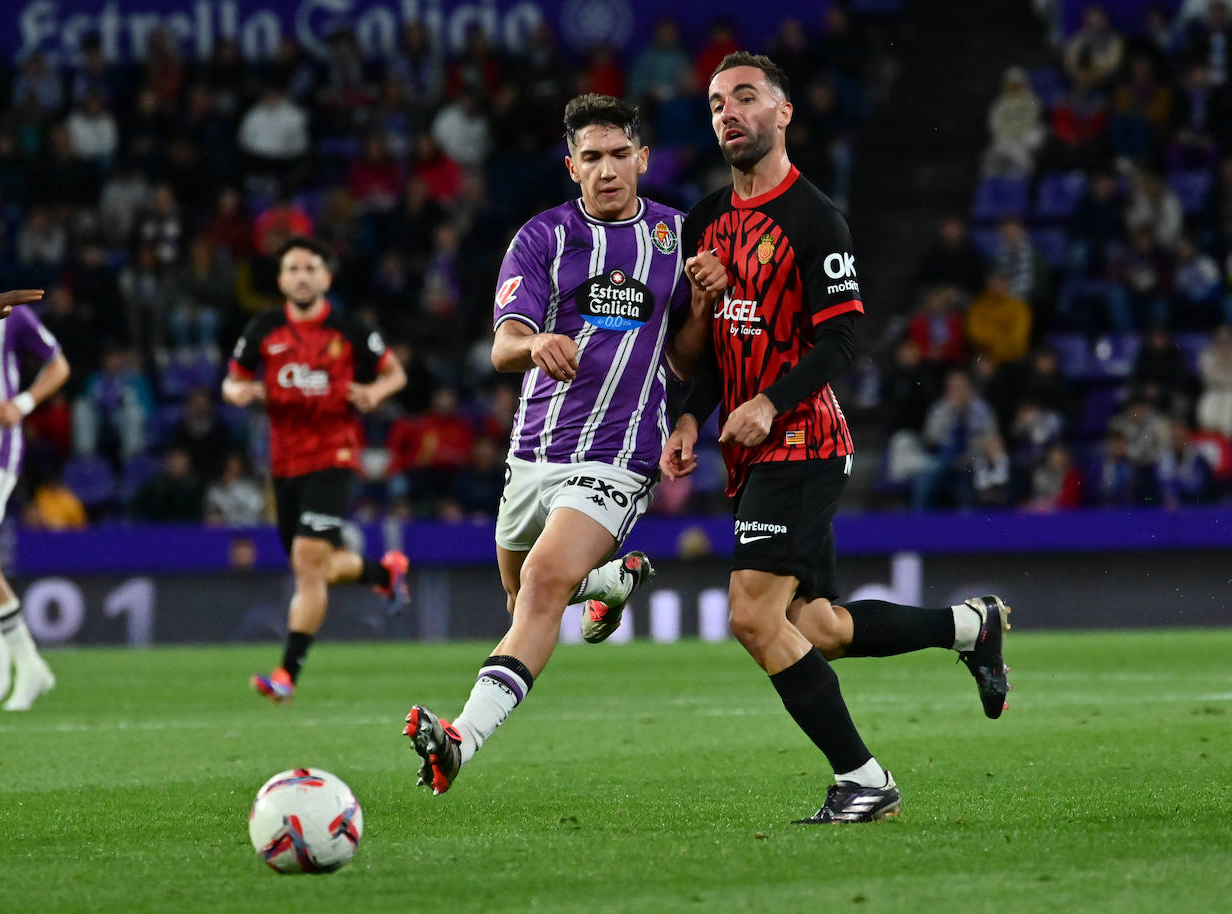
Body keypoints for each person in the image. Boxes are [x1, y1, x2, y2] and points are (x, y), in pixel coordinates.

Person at [658, 53, 1012, 825]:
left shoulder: (816, 218)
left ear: (783, 113)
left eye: (745, 97)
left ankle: (864, 779)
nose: (728, 113)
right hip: (748, 445)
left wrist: (768, 401)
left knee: (753, 619)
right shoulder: (704, 220)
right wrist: (692, 410)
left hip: (803, 440)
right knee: (819, 628)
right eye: (717, 102)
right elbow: (700, 348)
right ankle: (969, 625)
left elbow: (845, 337)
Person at [402, 94, 718, 796]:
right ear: (571, 167)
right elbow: (501, 345)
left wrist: (701, 307)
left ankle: (459, 738)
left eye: (619, 155)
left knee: (543, 586)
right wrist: (535, 341)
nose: (607, 170)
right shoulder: (542, 238)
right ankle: (610, 581)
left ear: (642, 158)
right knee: (523, 600)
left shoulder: (680, 236)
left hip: (621, 452)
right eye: (592, 159)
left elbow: (688, 362)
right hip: (534, 453)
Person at [222, 236, 408, 703]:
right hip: (283, 464)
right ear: (282, 279)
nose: (302, 276)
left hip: (333, 456)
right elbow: (232, 380)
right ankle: (382, 574)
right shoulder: (264, 328)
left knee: (308, 565)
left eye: (311, 268)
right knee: (317, 567)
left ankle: (286, 674)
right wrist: (237, 393)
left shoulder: (349, 327)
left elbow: (395, 373)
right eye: (293, 268)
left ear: (325, 277)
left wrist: (374, 394)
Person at [0, 300, 71, 710]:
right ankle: (15, 666)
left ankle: (9, 664)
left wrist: (21, 404)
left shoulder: (9, 317)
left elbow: (58, 365)